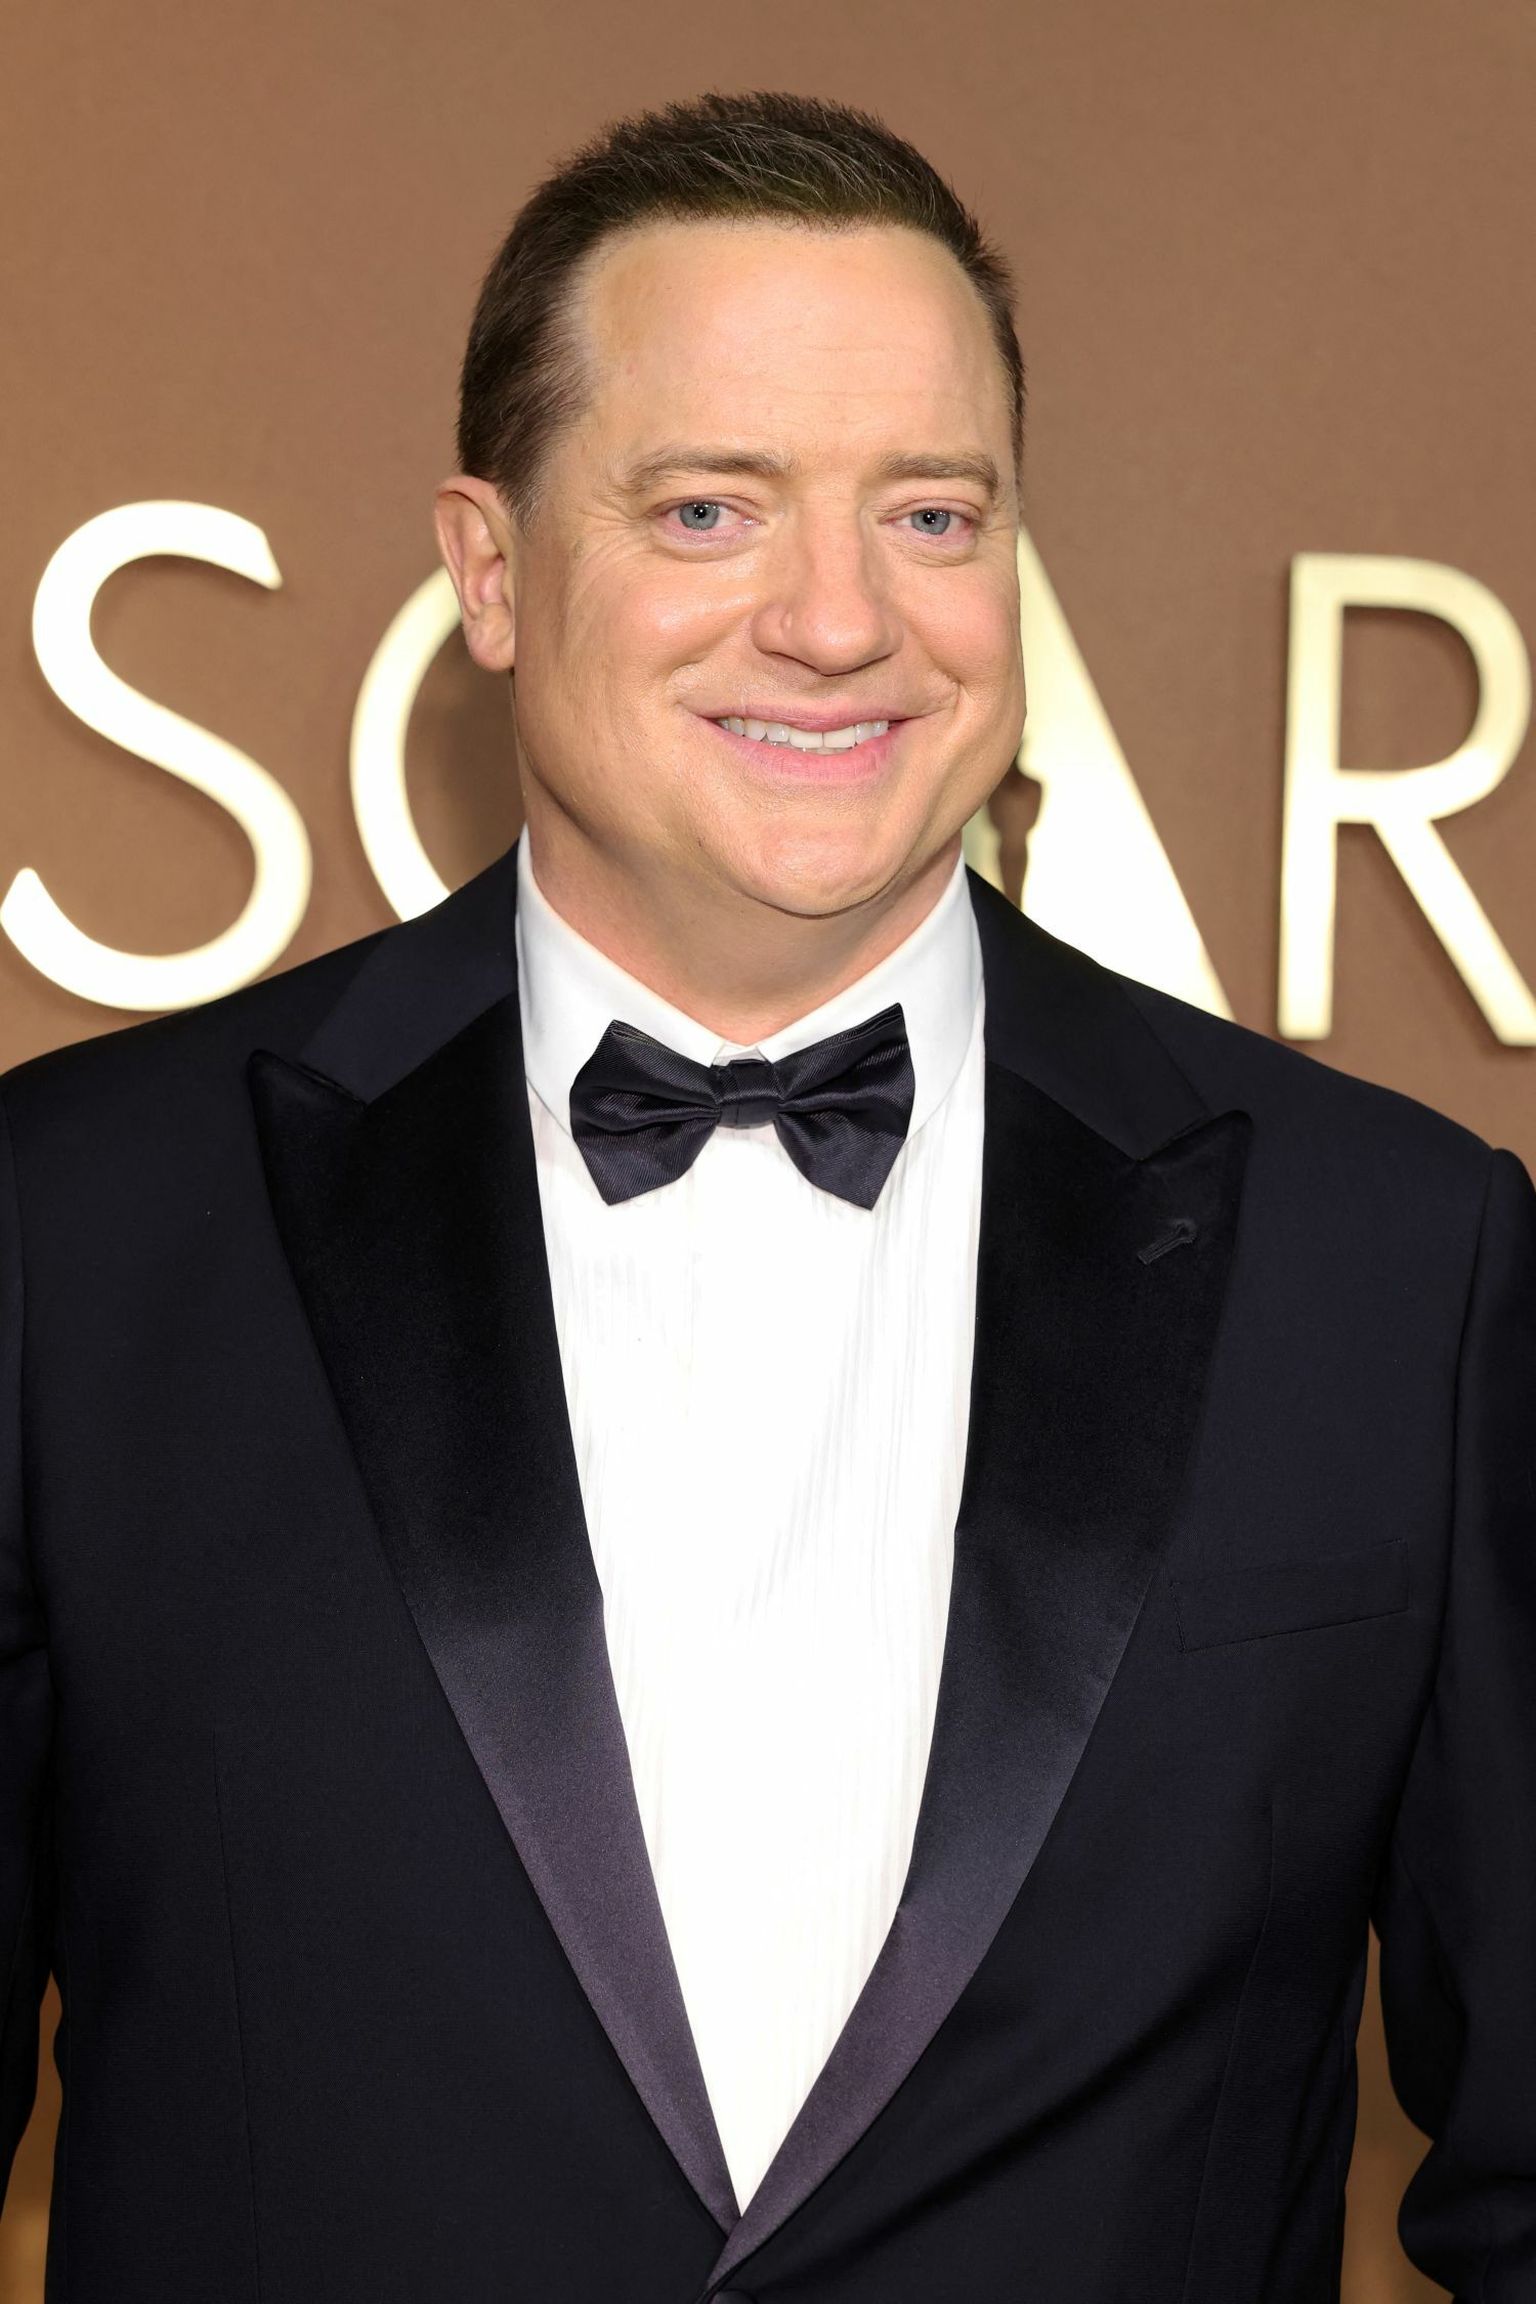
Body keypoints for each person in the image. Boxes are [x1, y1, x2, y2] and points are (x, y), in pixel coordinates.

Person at [0, 89, 1532, 2304]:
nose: (837, 620)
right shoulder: (76, 1237)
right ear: (491, 571)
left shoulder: (1394, 1259)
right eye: (709, 508)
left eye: (931, 513)